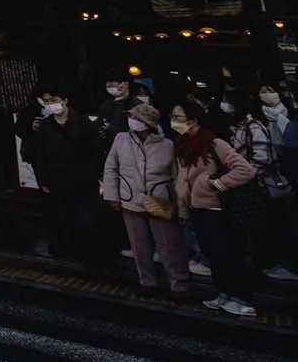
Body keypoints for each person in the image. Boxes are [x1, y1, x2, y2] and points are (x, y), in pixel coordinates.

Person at [171, 99, 259, 317]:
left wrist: (217, 184)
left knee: (226, 253)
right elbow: (182, 176)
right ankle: (224, 293)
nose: (173, 121)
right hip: (196, 207)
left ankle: (243, 298)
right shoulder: (182, 145)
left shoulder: (214, 143)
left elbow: (245, 170)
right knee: (212, 254)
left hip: (216, 208)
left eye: (178, 117)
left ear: (193, 120)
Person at [99, 102, 193, 297]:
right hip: (130, 199)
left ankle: (179, 284)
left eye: (136, 118)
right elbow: (111, 168)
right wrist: (112, 196)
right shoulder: (121, 139)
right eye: (131, 117)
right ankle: (146, 282)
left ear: (148, 123)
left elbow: (178, 178)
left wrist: (181, 208)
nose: (131, 121)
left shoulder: (167, 145)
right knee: (139, 246)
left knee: (169, 246)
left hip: (160, 202)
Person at [21, 88, 106, 268]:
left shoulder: (82, 123)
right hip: (56, 180)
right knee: (63, 216)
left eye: (54, 99)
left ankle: (92, 255)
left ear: (65, 100)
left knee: (86, 217)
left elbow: (95, 152)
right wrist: (43, 180)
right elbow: (41, 154)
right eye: (47, 101)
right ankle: (69, 251)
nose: (51, 104)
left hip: (83, 180)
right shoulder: (46, 126)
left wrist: (90, 174)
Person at [226, 86, 298, 283]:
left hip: (259, 184)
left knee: (269, 226)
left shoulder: (253, 126)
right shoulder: (242, 125)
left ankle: (274, 264)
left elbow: (262, 157)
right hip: (251, 184)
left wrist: (244, 174)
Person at [95, 74, 136, 141]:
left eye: (112, 86)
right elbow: (99, 120)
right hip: (109, 142)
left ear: (125, 84)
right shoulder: (106, 103)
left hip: (129, 142)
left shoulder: (135, 103)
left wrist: (112, 129)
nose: (110, 88)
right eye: (108, 86)